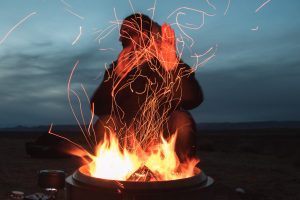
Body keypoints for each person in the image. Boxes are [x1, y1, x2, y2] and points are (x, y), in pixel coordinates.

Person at [91, 13, 203, 161]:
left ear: (144, 35)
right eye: (121, 34)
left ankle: (180, 176)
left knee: (181, 119)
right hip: (126, 141)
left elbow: (193, 100)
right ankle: (109, 178)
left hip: (164, 141)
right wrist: (116, 76)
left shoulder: (170, 61)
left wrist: (173, 68)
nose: (120, 39)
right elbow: (96, 107)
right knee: (105, 123)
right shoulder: (116, 69)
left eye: (127, 33)